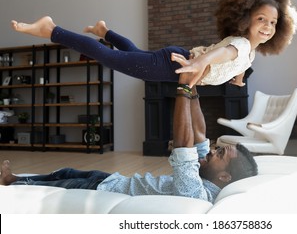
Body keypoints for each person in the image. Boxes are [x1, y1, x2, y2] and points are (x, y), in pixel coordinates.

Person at [0, 73, 258, 203]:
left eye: (220, 154)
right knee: (64, 170)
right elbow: (200, 134)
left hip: (103, 191)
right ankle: (12, 179)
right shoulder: (207, 172)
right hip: (113, 180)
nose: (213, 151)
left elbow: (184, 143)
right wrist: (195, 88)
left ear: (224, 177)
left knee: (56, 187)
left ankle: (10, 188)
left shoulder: (196, 193)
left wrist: (183, 87)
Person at [11, 0, 297, 88]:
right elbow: (220, 54)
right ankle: (51, 29)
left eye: (273, 23)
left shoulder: (248, 51)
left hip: (175, 60)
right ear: (245, 18)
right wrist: (197, 65)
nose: (267, 26)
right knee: (108, 58)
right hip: (177, 65)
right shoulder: (238, 43)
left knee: (133, 53)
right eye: (261, 18)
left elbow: (237, 63)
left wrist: (237, 78)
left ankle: (105, 31)